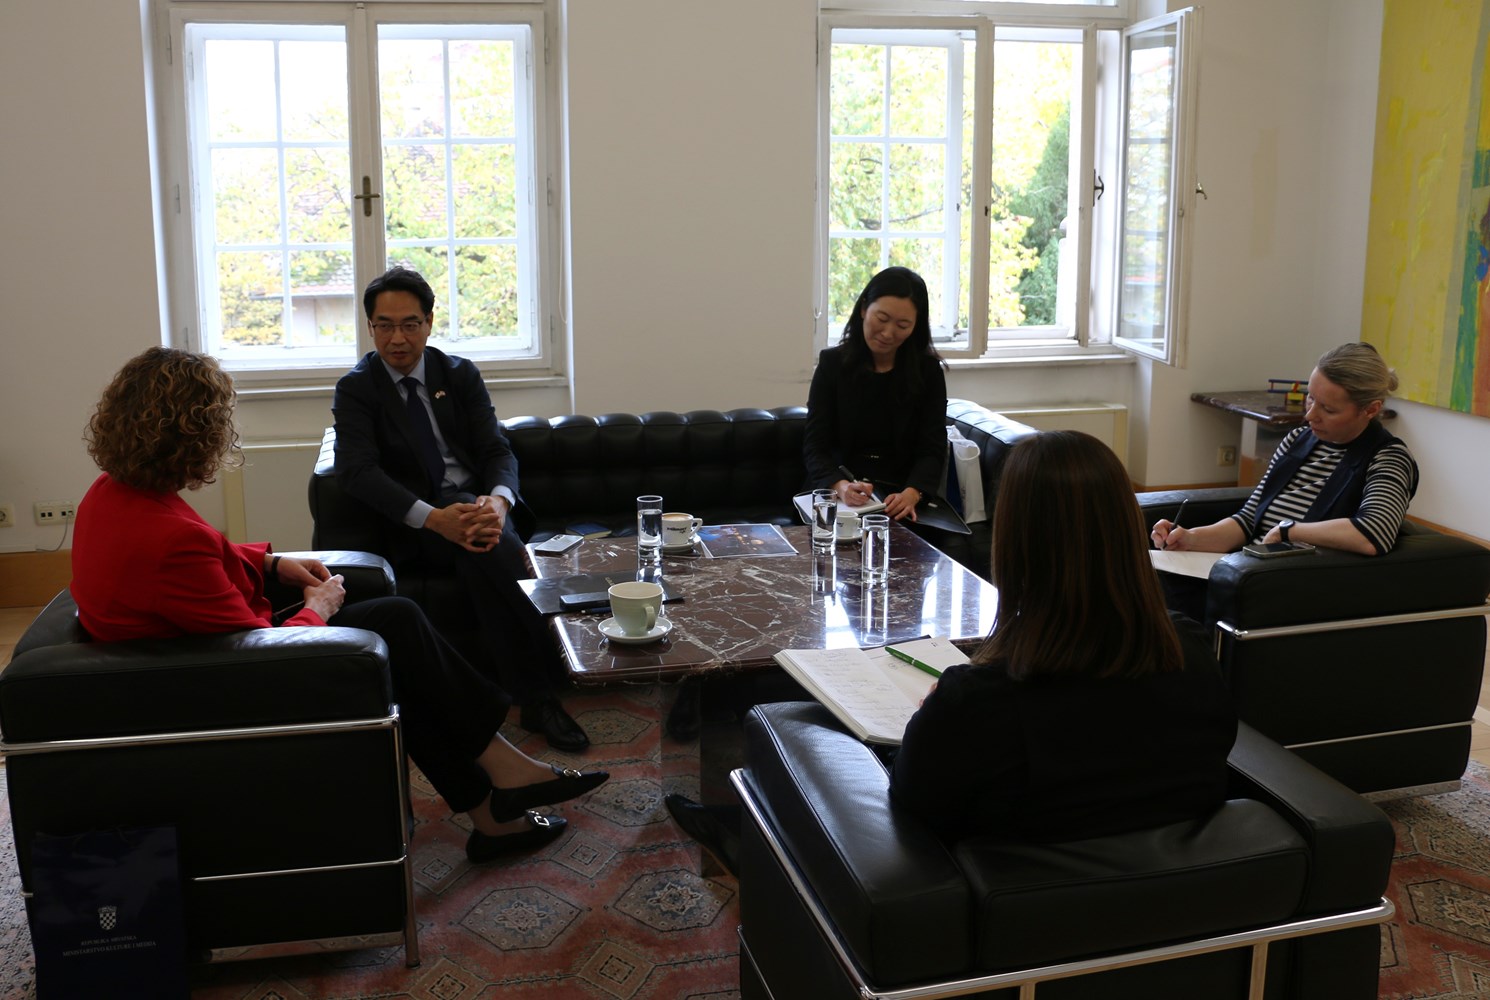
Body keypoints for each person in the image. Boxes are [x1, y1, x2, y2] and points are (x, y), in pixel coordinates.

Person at [71, 347, 607, 863]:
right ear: (194, 431)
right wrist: (319, 606)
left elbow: (197, 558)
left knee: (396, 631)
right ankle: (504, 782)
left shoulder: (112, 492)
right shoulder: (170, 539)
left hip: (184, 661)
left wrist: (271, 564)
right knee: (395, 631)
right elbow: (257, 651)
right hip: (218, 686)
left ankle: (495, 808)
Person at [889, 431, 1237, 841]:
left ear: (1014, 540)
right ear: (1127, 526)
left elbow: (914, 801)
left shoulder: (976, 701)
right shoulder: (1192, 652)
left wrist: (934, 718)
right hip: (1194, 879)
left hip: (1018, 881)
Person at [333, 266, 589, 751]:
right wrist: (434, 519)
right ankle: (552, 682)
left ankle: (523, 699)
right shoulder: (357, 389)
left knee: (482, 546)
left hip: (478, 509)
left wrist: (498, 501)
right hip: (417, 523)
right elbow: (357, 472)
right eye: (385, 325)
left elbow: (496, 450)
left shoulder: (458, 374)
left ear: (429, 323)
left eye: (410, 324)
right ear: (370, 328)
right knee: (489, 548)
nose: (397, 338)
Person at [1151, 342, 1418, 558]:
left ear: (1371, 409)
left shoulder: (1388, 458)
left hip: (1290, 583)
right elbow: (1248, 520)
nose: (1310, 415)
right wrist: (1190, 538)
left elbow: (1373, 534)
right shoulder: (1296, 440)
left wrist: (1290, 530)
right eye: (1311, 398)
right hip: (1247, 570)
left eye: (1328, 409)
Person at [803, 266, 948, 524]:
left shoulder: (928, 373)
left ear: (915, 327)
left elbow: (932, 447)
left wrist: (913, 493)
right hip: (839, 490)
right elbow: (815, 444)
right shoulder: (832, 365)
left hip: (899, 494)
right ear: (863, 309)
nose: (888, 333)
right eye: (882, 319)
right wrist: (840, 486)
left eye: (902, 325)